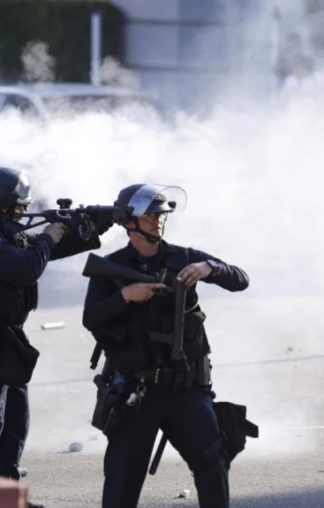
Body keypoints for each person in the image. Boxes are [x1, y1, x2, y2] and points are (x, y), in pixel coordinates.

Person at [0, 167, 108, 508]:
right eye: (19, 206)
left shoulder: (2, 233)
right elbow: (27, 266)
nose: (22, 212)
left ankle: (4, 497)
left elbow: (42, 251)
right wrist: (48, 236)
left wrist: (93, 224)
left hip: (5, 340)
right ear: (4, 202)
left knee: (15, 421)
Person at [82, 184, 250, 508]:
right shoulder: (110, 267)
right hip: (136, 391)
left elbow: (240, 278)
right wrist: (125, 297)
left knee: (214, 464)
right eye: (148, 215)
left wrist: (210, 268)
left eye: (161, 214)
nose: (157, 220)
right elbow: (91, 318)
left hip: (186, 390)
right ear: (128, 221)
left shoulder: (184, 258)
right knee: (122, 481)